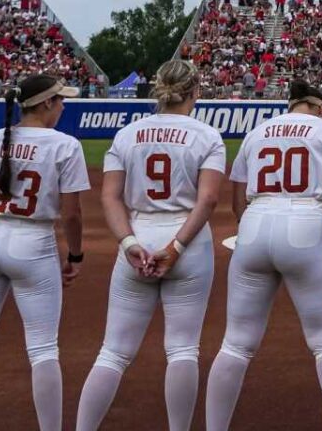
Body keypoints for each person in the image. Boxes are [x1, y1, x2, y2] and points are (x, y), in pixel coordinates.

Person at [75, 59, 227, 431]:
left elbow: (110, 198)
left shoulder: (127, 135)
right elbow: (207, 201)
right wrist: (175, 248)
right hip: (186, 240)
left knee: (112, 353)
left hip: (139, 234)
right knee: (182, 349)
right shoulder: (207, 136)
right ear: (195, 92)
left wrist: (128, 242)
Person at [203, 79, 322, 431]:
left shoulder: (257, 132)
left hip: (256, 221)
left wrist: (252, 230)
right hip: (307, 217)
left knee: (236, 344)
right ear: (319, 107)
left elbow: (237, 200)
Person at [0, 74, 91, 431]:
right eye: (59, 100)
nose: (63, 106)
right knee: (42, 350)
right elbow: (71, 213)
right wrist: (76, 255)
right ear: (45, 104)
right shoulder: (65, 145)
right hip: (33, 242)